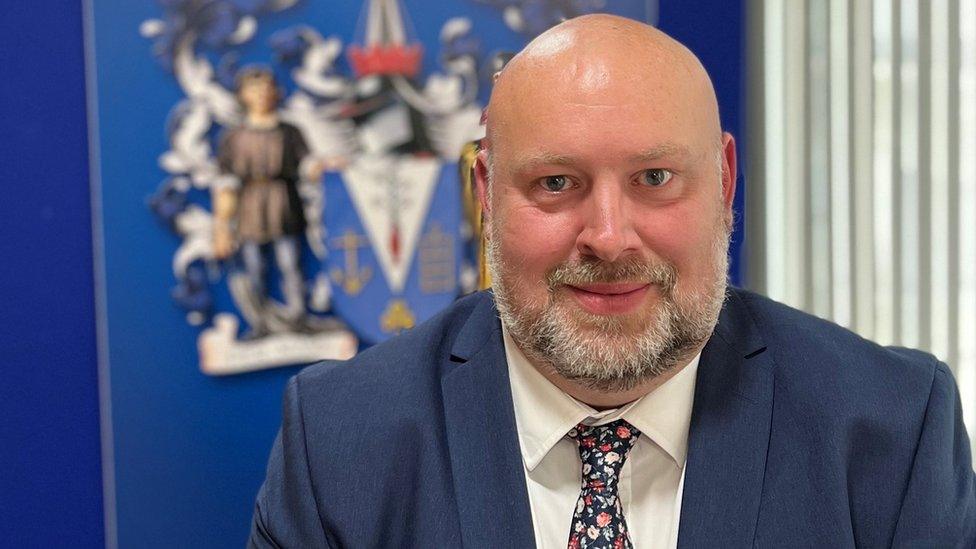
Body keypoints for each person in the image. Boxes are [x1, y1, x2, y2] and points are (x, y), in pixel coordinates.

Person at [249, 15, 975, 548]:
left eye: (655, 177)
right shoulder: (340, 442)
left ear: (723, 182)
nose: (608, 235)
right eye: (556, 181)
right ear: (487, 195)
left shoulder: (892, 430)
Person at [215, 66, 311, 336]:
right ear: (243, 95)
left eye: (267, 87)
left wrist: (320, 167)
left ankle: (297, 316)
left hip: (283, 202)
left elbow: (307, 164)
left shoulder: (289, 132)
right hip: (250, 206)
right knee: (254, 266)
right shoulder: (233, 137)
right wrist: (222, 226)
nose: (262, 94)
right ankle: (261, 321)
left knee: (290, 263)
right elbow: (225, 181)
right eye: (254, 88)